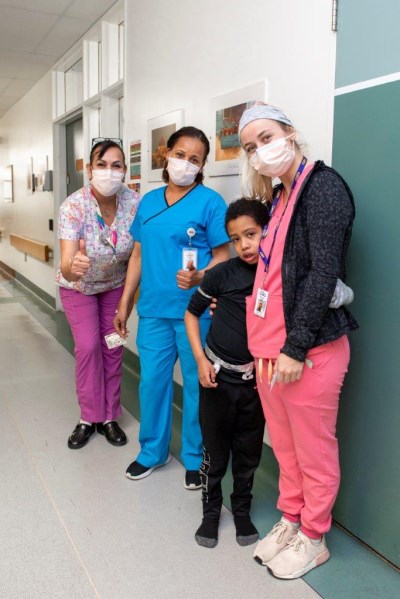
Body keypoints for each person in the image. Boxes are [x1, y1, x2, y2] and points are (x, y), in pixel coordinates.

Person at [239, 103, 358, 579]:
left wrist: (295, 346)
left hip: (307, 351)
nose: (260, 150)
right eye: (250, 146)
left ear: (288, 132)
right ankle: (291, 519)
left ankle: (314, 535)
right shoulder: (279, 196)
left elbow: (322, 273)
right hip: (271, 352)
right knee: (285, 449)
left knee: (314, 450)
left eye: (266, 137)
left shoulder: (323, 188)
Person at [113, 126, 230, 489]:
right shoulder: (147, 202)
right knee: (152, 383)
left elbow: (224, 257)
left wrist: (200, 279)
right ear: (167, 154)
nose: (185, 163)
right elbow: (137, 254)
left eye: (194, 159)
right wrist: (124, 303)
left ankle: (195, 457)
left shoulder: (211, 203)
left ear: (202, 165)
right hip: (153, 312)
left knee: (197, 386)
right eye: (180, 155)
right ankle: (152, 451)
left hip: (196, 313)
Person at [185, 198, 268, 548]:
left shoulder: (274, 275)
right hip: (217, 378)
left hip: (256, 384)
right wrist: (201, 362)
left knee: (248, 452)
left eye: (251, 234)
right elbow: (192, 314)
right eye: (235, 238)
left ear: (268, 230)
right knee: (215, 451)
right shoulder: (221, 274)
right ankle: (211, 510)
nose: (244, 244)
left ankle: (242, 509)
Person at [57, 138, 140, 450]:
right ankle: (88, 417)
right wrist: (72, 266)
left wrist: (126, 303)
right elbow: (66, 265)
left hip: (115, 287)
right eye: (102, 165)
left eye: (116, 165)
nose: (109, 171)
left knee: (113, 345)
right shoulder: (73, 207)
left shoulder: (134, 203)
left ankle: (109, 417)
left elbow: (136, 256)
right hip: (78, 288)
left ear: (124, 170)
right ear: (89, 169)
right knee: (89, 346)